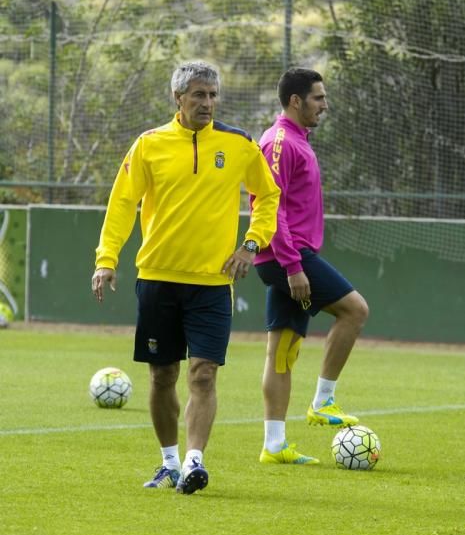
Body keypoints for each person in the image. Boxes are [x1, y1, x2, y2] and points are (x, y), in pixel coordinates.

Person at [91, 60, 280, 494]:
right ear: (178, 98)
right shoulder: (149, 144)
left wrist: (251, 245)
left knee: (204, 374)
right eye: (198, 95)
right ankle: (169, 462)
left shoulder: (238, 145)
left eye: (213, 95)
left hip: (213, 283)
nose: (207, 103)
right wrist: (107, 259)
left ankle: (195, 461)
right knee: (162, 376)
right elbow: (122, 204)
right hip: (157, 278)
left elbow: (268, 195)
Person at [254, 67, 369, 466]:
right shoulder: (280, 142)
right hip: (288, 256)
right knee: (355, 310)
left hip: (289, 256)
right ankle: (323, 402)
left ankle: (274, 446)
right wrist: (292, 266)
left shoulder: (298, 140)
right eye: (319, 98)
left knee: (282, 351)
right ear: (295, 101)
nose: (325, 105)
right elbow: (270, 208)